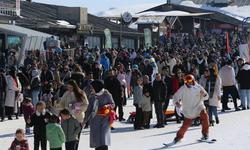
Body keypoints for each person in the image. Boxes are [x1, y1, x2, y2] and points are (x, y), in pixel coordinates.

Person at [172, 75, 209, 143]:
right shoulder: (183, 88)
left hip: (199, 106)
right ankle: (178, 137)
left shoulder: (198, 87)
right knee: (187, 124)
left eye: (190, 81)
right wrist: (177, 103)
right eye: (187, 81)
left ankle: (205, 134)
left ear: (193, 81)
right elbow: (176, 96)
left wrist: (203, 93)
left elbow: (206, 97)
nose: (189, 83)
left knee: (205, 116)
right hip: (188, 108)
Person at [82, 80, 115, 150]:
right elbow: (89, 109)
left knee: (103, 139)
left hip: (105, 120)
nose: (91, 89)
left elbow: (113, 104)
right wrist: (85, 119)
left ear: (97, 87)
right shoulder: (92, 96)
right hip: (95, 120)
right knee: (96, 140)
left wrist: (107, 106)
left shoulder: (107, 94)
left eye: (92, 87)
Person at [58, 79, 89, 150]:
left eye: (71, 87)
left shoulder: (81, 93)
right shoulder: (66, 94)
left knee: (76, 139)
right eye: (68, 87)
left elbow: (86, 105)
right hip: (67, 118)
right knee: (68, 139)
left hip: (78, 119)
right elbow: (62, 104)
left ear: (75, 87)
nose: (69, 89)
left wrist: (77, 107)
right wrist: (58, 104)